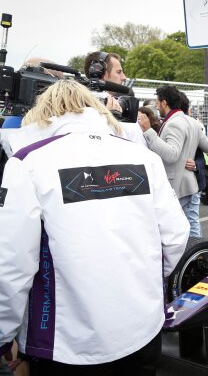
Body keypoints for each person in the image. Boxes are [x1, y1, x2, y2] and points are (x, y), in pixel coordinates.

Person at [0, 80, 189, 375]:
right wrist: (142, 280)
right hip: (143, 327)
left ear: (43, 113)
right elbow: (176, 236)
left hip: (66, 342)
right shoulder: (142, 156)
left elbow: (11, 263)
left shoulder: (28, 162)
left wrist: (2, 336)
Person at [139, 85, 208, 238]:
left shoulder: (174, 123)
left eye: (157, 102)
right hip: (189, 184)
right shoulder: (191, 122)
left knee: (179, 230)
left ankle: (192, 257)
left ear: (164, 103)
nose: (156, 106)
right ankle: (196, 256)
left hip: (178, 186)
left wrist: (148, 132)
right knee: (190, 225)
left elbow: (172, 154)